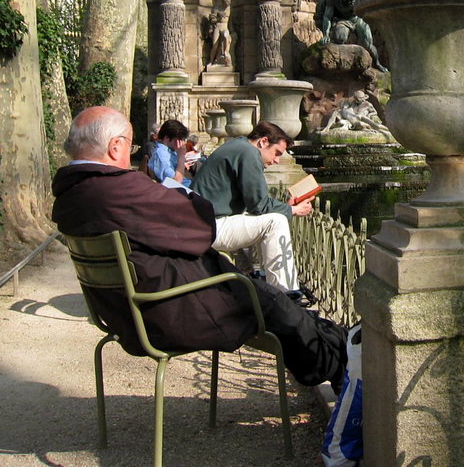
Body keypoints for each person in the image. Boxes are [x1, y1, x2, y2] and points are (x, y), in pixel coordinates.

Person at [51, 106, 346, 388]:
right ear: (115, 147)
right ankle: (339, 362)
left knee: (273, 302)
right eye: (129, 145)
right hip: (172, 311)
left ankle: (335, 350)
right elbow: (197, 221)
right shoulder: (122, 189)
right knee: (274, 304)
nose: (133, 152)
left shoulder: (71, 196)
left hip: (130, 313)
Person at [193, 121, 313, 299]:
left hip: (202, 222)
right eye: (277, 153)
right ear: (263, 142)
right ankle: (286, 295)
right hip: (209, 227)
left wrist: (286, 207)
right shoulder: (248, 153)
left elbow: (256, 204)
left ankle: (252, 275)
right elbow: (259, 205)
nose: (276, 160)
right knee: (276, 222)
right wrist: (292, 210)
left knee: (271, 219)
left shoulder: (238, 146)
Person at [147, 119, 199, 187]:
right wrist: (181, 157)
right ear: (167, 138)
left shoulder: (170, 151)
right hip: (184, 190)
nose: (181, 143)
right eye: (178, 140)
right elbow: (175, 183)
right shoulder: (161, 155)